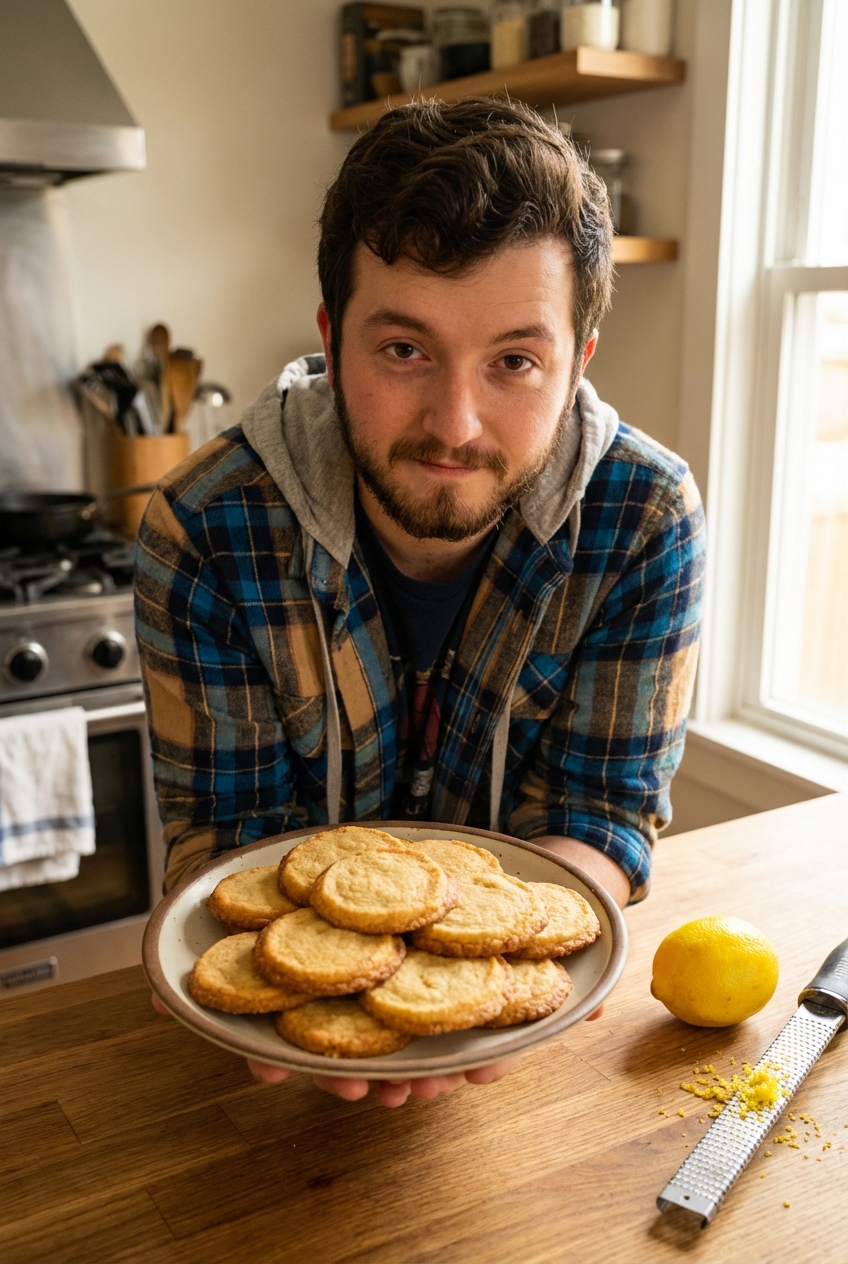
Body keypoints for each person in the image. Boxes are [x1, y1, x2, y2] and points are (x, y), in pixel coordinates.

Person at [137, 97, 705, 1107]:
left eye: (514, 362)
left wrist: (464, 997)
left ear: (577, 359)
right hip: (258, 1102)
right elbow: (224, 842)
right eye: (402, 350)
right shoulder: (203, 528)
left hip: (530, 1097)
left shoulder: (644, 520)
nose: (455, 421)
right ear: (330, 336)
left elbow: (603, 814)